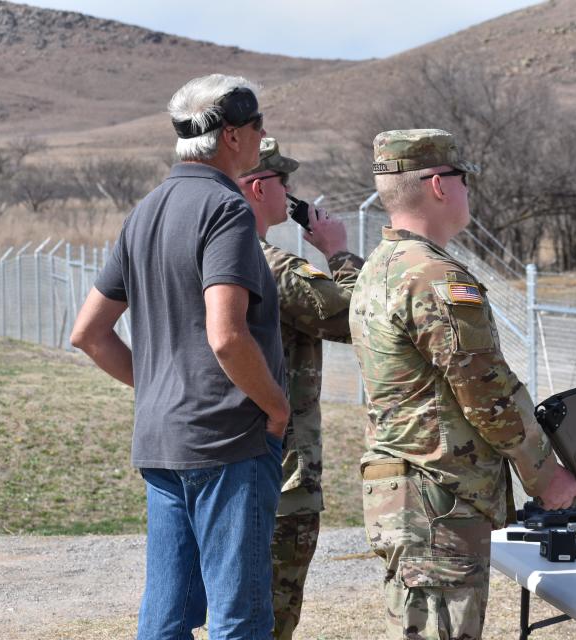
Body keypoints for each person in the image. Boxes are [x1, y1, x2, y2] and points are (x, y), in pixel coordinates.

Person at [350, 129, 576, 640]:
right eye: (463, 181)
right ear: (439, 186)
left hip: (414, 492)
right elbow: (485, 390)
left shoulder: (382, 267)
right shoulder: (433, 277)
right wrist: (544, 475)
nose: (467, 193)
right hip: (438, 497)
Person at [70, 74, 290, 639]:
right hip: (227, 440)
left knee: (166, 615)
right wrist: (276, 408)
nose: (265, 137)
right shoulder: (226, 208)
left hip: (162, 438)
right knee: (239, 616)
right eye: (259, 127)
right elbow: (226, 335)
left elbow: (89, 334)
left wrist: (159, 390)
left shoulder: (145, 210)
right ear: (233, 136)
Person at [236, 138, 364, 640]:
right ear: (259, 186)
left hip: (231, 460)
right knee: (269, 616)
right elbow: (356, 316)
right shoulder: (271, 264)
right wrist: (337, 251)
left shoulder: (205, 250)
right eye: (284, 183)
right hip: (281, 472)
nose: (290, 193)